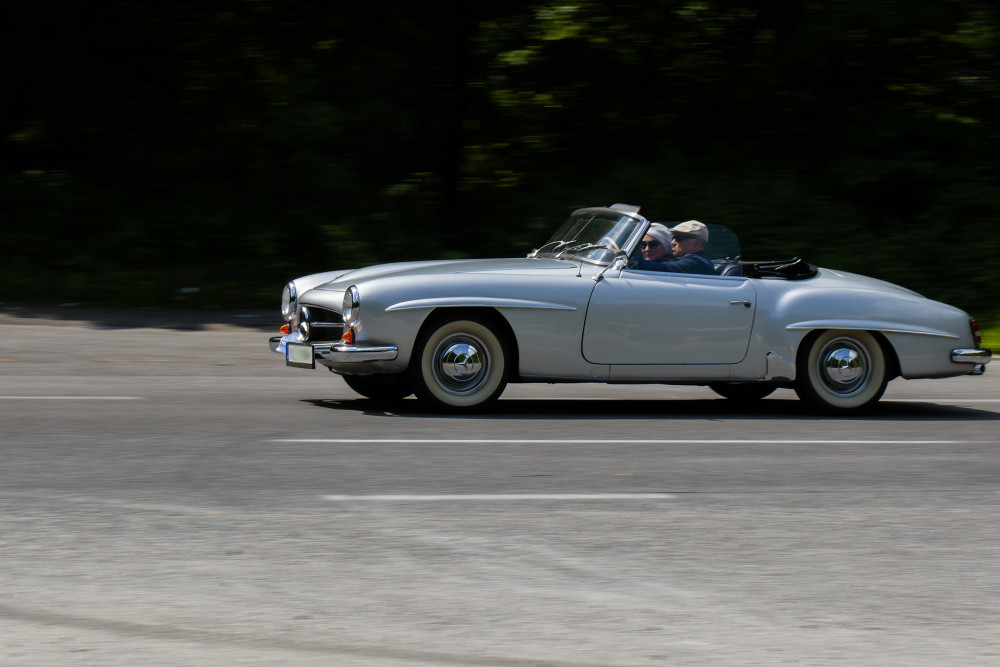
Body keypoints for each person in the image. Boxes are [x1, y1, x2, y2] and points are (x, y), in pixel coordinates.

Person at [632, 220, 716, 275]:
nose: (672, 242)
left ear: (695, 244)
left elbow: (661, 269)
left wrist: (631, 260)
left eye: (678, 238)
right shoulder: (696, 261)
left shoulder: (696, 262)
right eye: (673, 237)